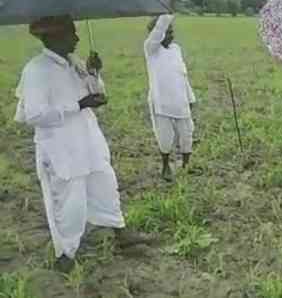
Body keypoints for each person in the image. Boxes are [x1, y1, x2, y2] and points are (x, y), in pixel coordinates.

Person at [14, 15, 148, 273]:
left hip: (88, 139)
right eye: (71, 34)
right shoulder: (36, 70)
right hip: (61, 147)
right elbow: (34, 115)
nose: (76, 38)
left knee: (105, 184)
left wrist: (95, 72)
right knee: (68, 200)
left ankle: (120, 232)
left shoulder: (74, 63)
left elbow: (97, 93)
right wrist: (78, 105)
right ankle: (65, 254)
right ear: (51, 37)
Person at [144, 14, 196, 181]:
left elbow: (183, 75)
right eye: (168, 31)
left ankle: (186, 166)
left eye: (172, 31)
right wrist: (167, 14)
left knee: (187, 134)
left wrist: (190, 98)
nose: (172, 35)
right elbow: (159, 31)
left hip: (181, 100)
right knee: (165, 137)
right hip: (161, 103)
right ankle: (166, 165)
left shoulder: (176, 49)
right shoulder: (151, 49)